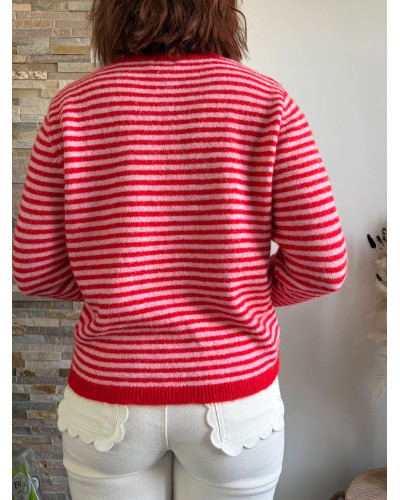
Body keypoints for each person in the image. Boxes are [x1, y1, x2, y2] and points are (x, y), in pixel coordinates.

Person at [11, 0, 348, 498]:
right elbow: (323, 265)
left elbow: (34, 269)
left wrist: (112, 285)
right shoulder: (267, 102)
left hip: (109, 400)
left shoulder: (72, 107)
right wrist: (243, 293)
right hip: (233, 398)